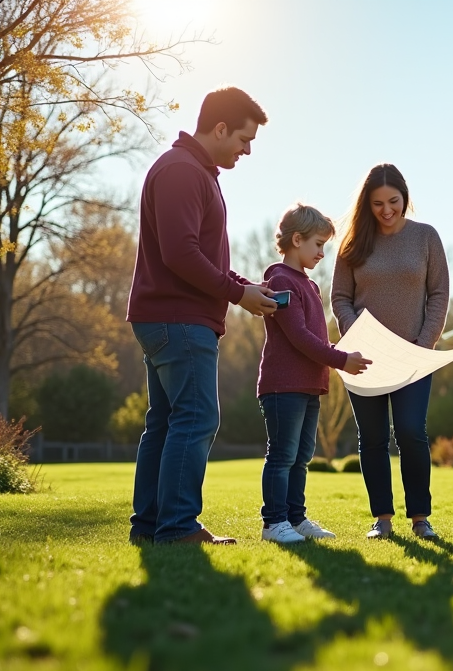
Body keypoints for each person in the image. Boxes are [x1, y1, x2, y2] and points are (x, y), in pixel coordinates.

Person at [126, 87, 277, 545]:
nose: (247, 150)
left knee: (167, 420)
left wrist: (242, 285)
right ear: (219, 128)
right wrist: (236, 293)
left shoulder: (194, 171)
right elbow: (180, 254)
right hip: (179, 319)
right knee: (196, 418)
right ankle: (176, 526)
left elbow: (197, 253)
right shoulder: (181, 171)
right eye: (244, 139)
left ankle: (151, 526)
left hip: (171, 317)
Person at [331, 164, 450, 540]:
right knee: (373, 438)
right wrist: (359, 334)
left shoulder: (426, 237)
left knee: (412, 432)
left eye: (393, 202)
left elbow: (439, 294)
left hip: (414, 354)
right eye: (378, 203)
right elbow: (340, 298)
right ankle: (382, 518)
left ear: (405, 198)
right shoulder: (352, 243)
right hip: (365, 357)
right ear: (367, 203)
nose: (386, 210)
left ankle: (420, 518)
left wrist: (425, 341)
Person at [257, 204, 372, 543]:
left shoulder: (309, 285)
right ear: (297, 239)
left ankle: (295, 518)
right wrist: (341, 359)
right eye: (318, 244)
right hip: (283, 386)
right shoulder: (280, 280)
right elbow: (300, 338)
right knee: (282, 456)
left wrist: (342, 350)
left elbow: (316, 338)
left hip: (308, 386)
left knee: (302, 457)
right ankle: (273, 522)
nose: (323, 252)